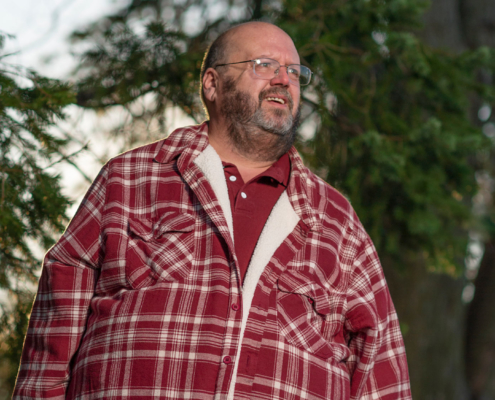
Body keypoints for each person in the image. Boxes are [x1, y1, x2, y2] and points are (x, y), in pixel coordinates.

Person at [14, 21, 411, 399]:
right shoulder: (130, 179)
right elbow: (55, 327)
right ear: (212, 84)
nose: (283, 78)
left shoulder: (337, 221)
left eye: (294, 71)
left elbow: (381, 368)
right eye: (264, 65)